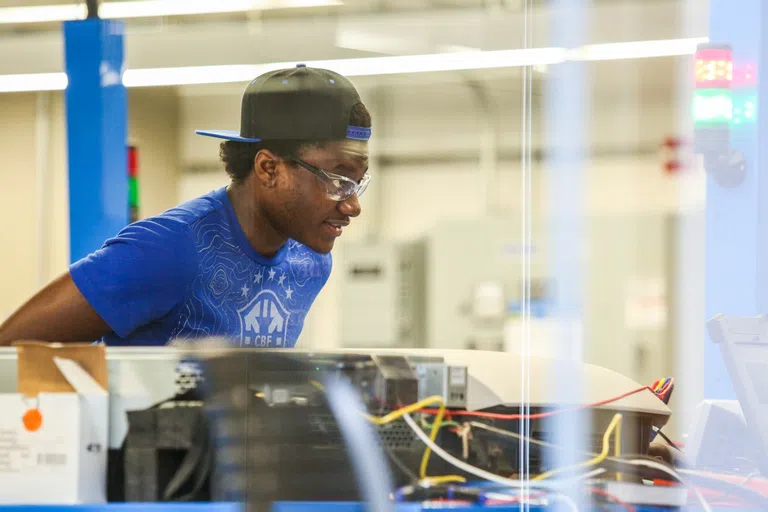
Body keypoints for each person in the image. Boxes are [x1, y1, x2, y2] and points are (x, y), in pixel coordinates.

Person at [0, 65, 372, 348]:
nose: (352, 205)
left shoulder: (309, 261)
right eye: (338, 181)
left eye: (358, 183)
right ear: (268, 168)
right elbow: (10, 351)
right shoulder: (169, 249)